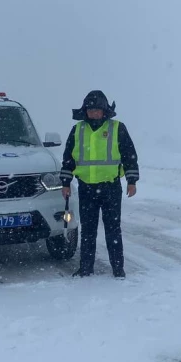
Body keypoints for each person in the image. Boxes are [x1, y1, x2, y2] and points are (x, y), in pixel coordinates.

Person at [60, 90, 139, 278]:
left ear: (105, 111)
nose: (94, 113)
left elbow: (129, 155)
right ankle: (86, 268)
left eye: (97, 110)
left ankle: (118, 269)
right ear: (85, 110)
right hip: (86, 188)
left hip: (110, 187)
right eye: (90, 109)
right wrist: (65, 182)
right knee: (88, 230)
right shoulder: (78, 130)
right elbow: (68, 158)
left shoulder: (117, 128)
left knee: (113, 229)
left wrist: (132, 180)